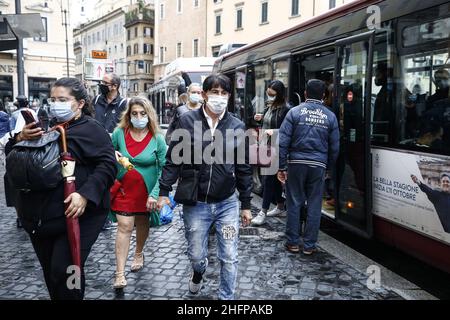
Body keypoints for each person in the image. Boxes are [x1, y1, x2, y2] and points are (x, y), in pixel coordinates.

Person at [7, 77, 117, 299]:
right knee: (51, 274)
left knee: (67, 270)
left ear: (80, 103)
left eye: (63, 99)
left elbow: (107, 166)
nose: (56, 103)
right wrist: (20, 137)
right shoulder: (44, 125)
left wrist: (85, 195)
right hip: (41, 216)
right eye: (53, 98)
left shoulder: (91, 129)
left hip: (78, 215)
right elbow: (15, 154)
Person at [156, 74, 253, 300]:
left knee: (229, 254)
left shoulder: (237, 126)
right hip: (196, 205)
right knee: (196, 254)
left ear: (229, 96)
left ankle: (226, 298)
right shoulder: (188, 121)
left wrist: (246, 205)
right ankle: (199, 272)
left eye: (224, 93)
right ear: (204, 94)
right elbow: (173, 160)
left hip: (227, 206)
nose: (219, 97)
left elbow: (244, 167)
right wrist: (163, 192)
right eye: (214, 92)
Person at [110, 96, 167, 289]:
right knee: (124, 226)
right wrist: (113, 155)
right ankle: (119, 273)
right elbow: (106, 153)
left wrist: (156, 193)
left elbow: (164, 169)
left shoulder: (157, 138)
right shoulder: (119, 133)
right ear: (129, 115)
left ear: (149, 115)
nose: (138, 117)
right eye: (134, 113)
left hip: (147, 191)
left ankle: (139, 252)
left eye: (142, 113)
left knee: (142, 222)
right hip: (124, 190)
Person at [278, 79, 339, 255]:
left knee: (295, 202)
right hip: (318, 164)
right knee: (314, 204)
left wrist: (282, 166)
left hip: (296, 163)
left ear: (305, 93)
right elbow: (335, 147)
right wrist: (329, 167)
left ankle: (293, 242)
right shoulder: (330, 116)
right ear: (324, 96)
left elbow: (282, 142)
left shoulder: (294, 113)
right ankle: (310, 245)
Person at [252, 80, 290, 225]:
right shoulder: (270, 107)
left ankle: (263, 211)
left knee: (268, 180)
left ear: (279, 94)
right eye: (268, 94)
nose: (270, 97)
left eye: (272, 94)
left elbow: (288, 131)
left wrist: (273, 131)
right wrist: (260, 120)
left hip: (277, 149)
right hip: (266, 147)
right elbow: (267, 124)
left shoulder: (286, 109)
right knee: (273, 180)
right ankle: (280, 206)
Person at [93, 73, 127, 230]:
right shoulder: (95, 101)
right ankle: (95, 212)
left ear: (114, 86)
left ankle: (106, 215)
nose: (101, 84)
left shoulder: (124, 104)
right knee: (94, 178)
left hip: (113, 149)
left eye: (104, 82)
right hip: (94, 146)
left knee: (109, 180)